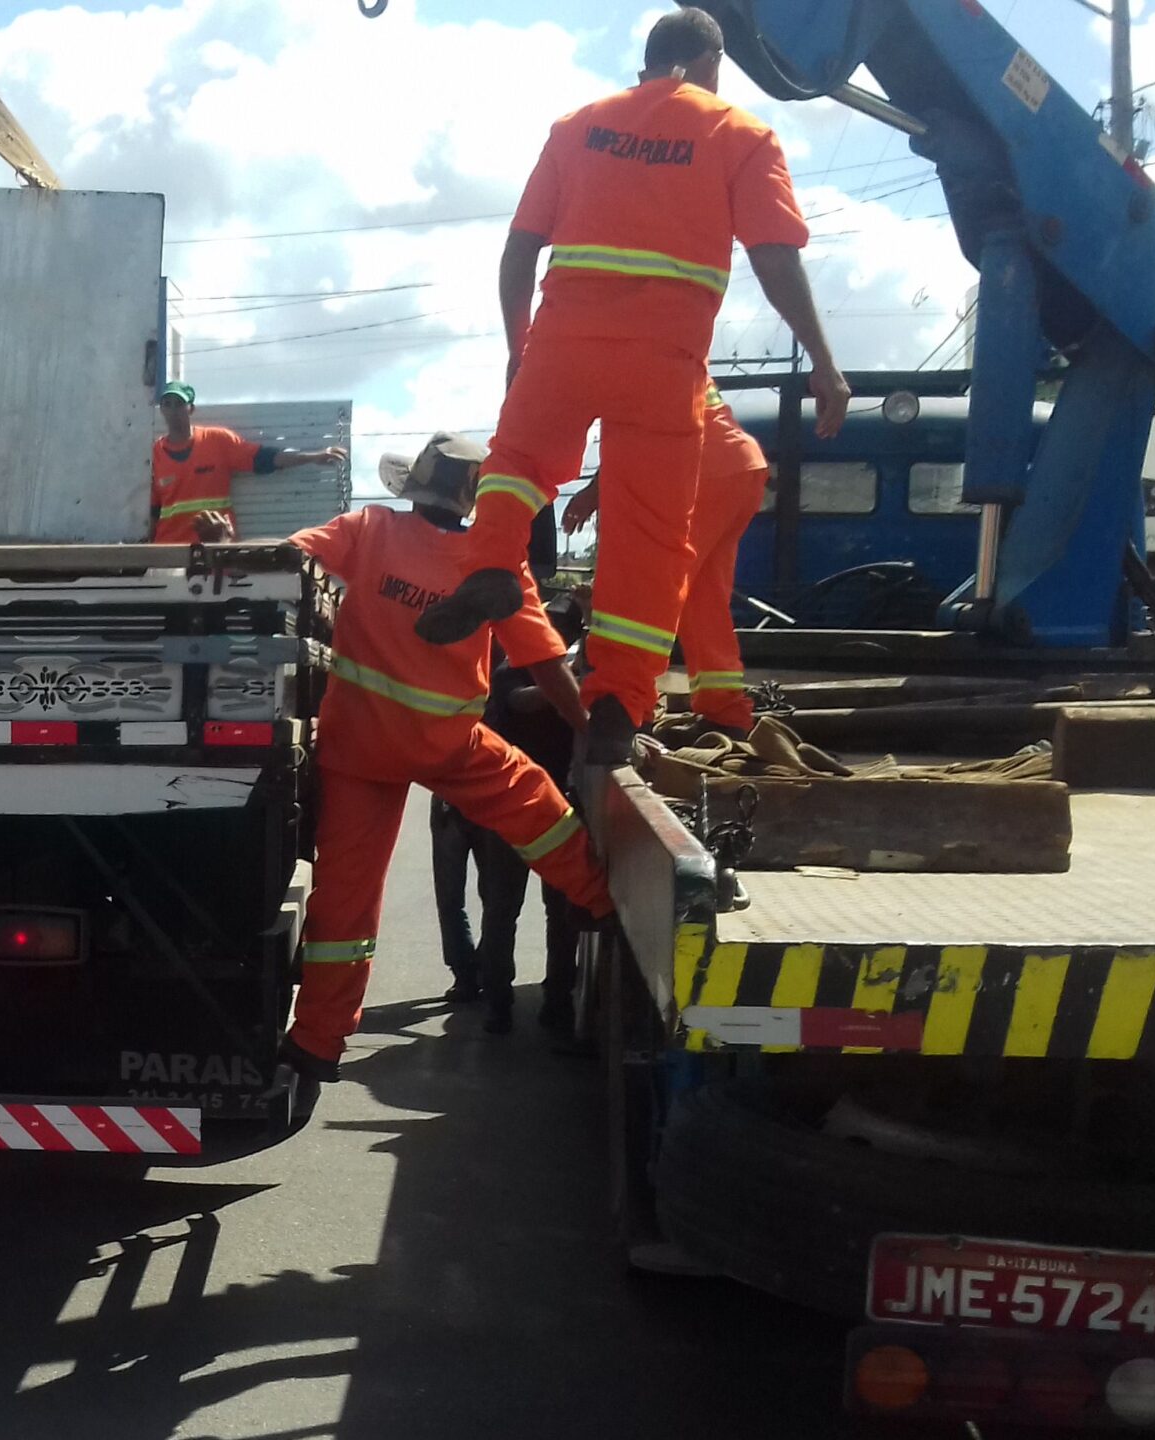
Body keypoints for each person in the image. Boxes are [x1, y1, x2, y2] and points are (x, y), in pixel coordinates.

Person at [416, 6, 847, 764]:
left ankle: (489, 567)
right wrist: (822, 359)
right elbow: (775, 255)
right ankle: (617, 702)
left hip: (563, 342)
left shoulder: (576, 126)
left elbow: (518, 252)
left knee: (518, 464)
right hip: (664, 363)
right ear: (714, 67)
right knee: (651, 536)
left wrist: (520, 350)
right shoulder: (740, 133)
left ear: (645, 62)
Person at [282, 434, 612, 1081]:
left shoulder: (370, 528)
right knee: (536, 806)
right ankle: (598, 901)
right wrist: (588, 728)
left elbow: (293, 558)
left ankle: (317, 1042)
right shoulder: (494, 561)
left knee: (344, 903)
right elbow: (543, 660)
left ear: (416, 487)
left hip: (360, 745)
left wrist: (222, 549)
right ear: (473, 494)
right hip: (450, 741)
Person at [564, 382, 771, 732]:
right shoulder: (666, 355)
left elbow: (629, 429)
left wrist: (593, 490)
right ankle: (725, 711)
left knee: (648, 592)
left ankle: (629, 711)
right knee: (704, 599)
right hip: (738, 464)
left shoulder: (617, 358)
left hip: (697, 470)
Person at [434, 590, 586, 1035]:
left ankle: (556, 1001)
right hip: (513, 810)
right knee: (503, 908)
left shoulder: (570, 672)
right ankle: (498, 1002)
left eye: (562, 628)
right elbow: (521, 700)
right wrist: (567, 686)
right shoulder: (516, 668)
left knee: (559, 914)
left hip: (558, 809)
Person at [153, 381, 347, 543]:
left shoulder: (217, 440)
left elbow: (266, 459)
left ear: (191, 408)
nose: (173, 410)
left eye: (179, 404)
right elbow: (151, 510)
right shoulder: (154, 454)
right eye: (167, 404)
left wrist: (313, 457)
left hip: (216, 547)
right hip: (170, 549)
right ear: (161, 409)